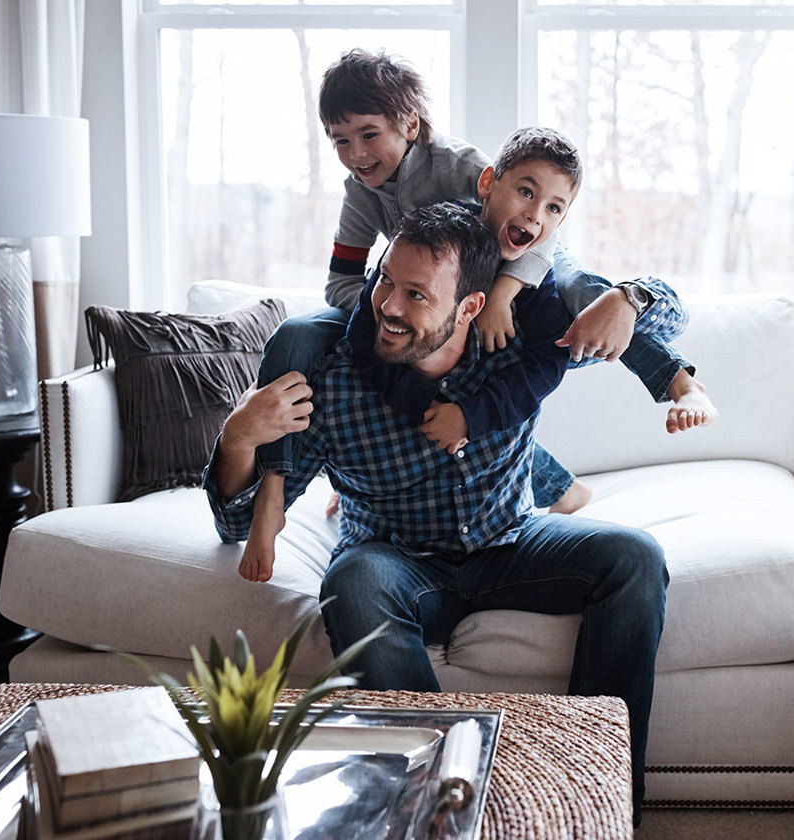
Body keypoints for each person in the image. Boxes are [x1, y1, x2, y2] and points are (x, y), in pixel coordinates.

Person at [205, 203, 668, 817]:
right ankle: (437, 805)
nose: (389, 306)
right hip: (397, 562)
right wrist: (237, 437)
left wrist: (630, 298)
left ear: (471, 306)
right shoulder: (335, 381)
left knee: (635, 557)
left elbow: (668, 325)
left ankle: (597, 796)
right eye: (385, 283)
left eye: (417, 294)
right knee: (353, 579)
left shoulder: (517, 348)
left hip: (510, 541)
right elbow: (236, 525)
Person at [249, 50, 717, 529]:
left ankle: (679, 382)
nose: (355, 154)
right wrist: (397, 306)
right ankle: (279, 481)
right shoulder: (360, 193)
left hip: (519, 267)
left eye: (369, 135)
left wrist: (504, 294)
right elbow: (341, 281)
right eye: (340, 141)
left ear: (410, 124)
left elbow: (528, 219)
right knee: (300, 335)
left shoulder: (459, 167)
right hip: (438, 307)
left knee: (584, 295)